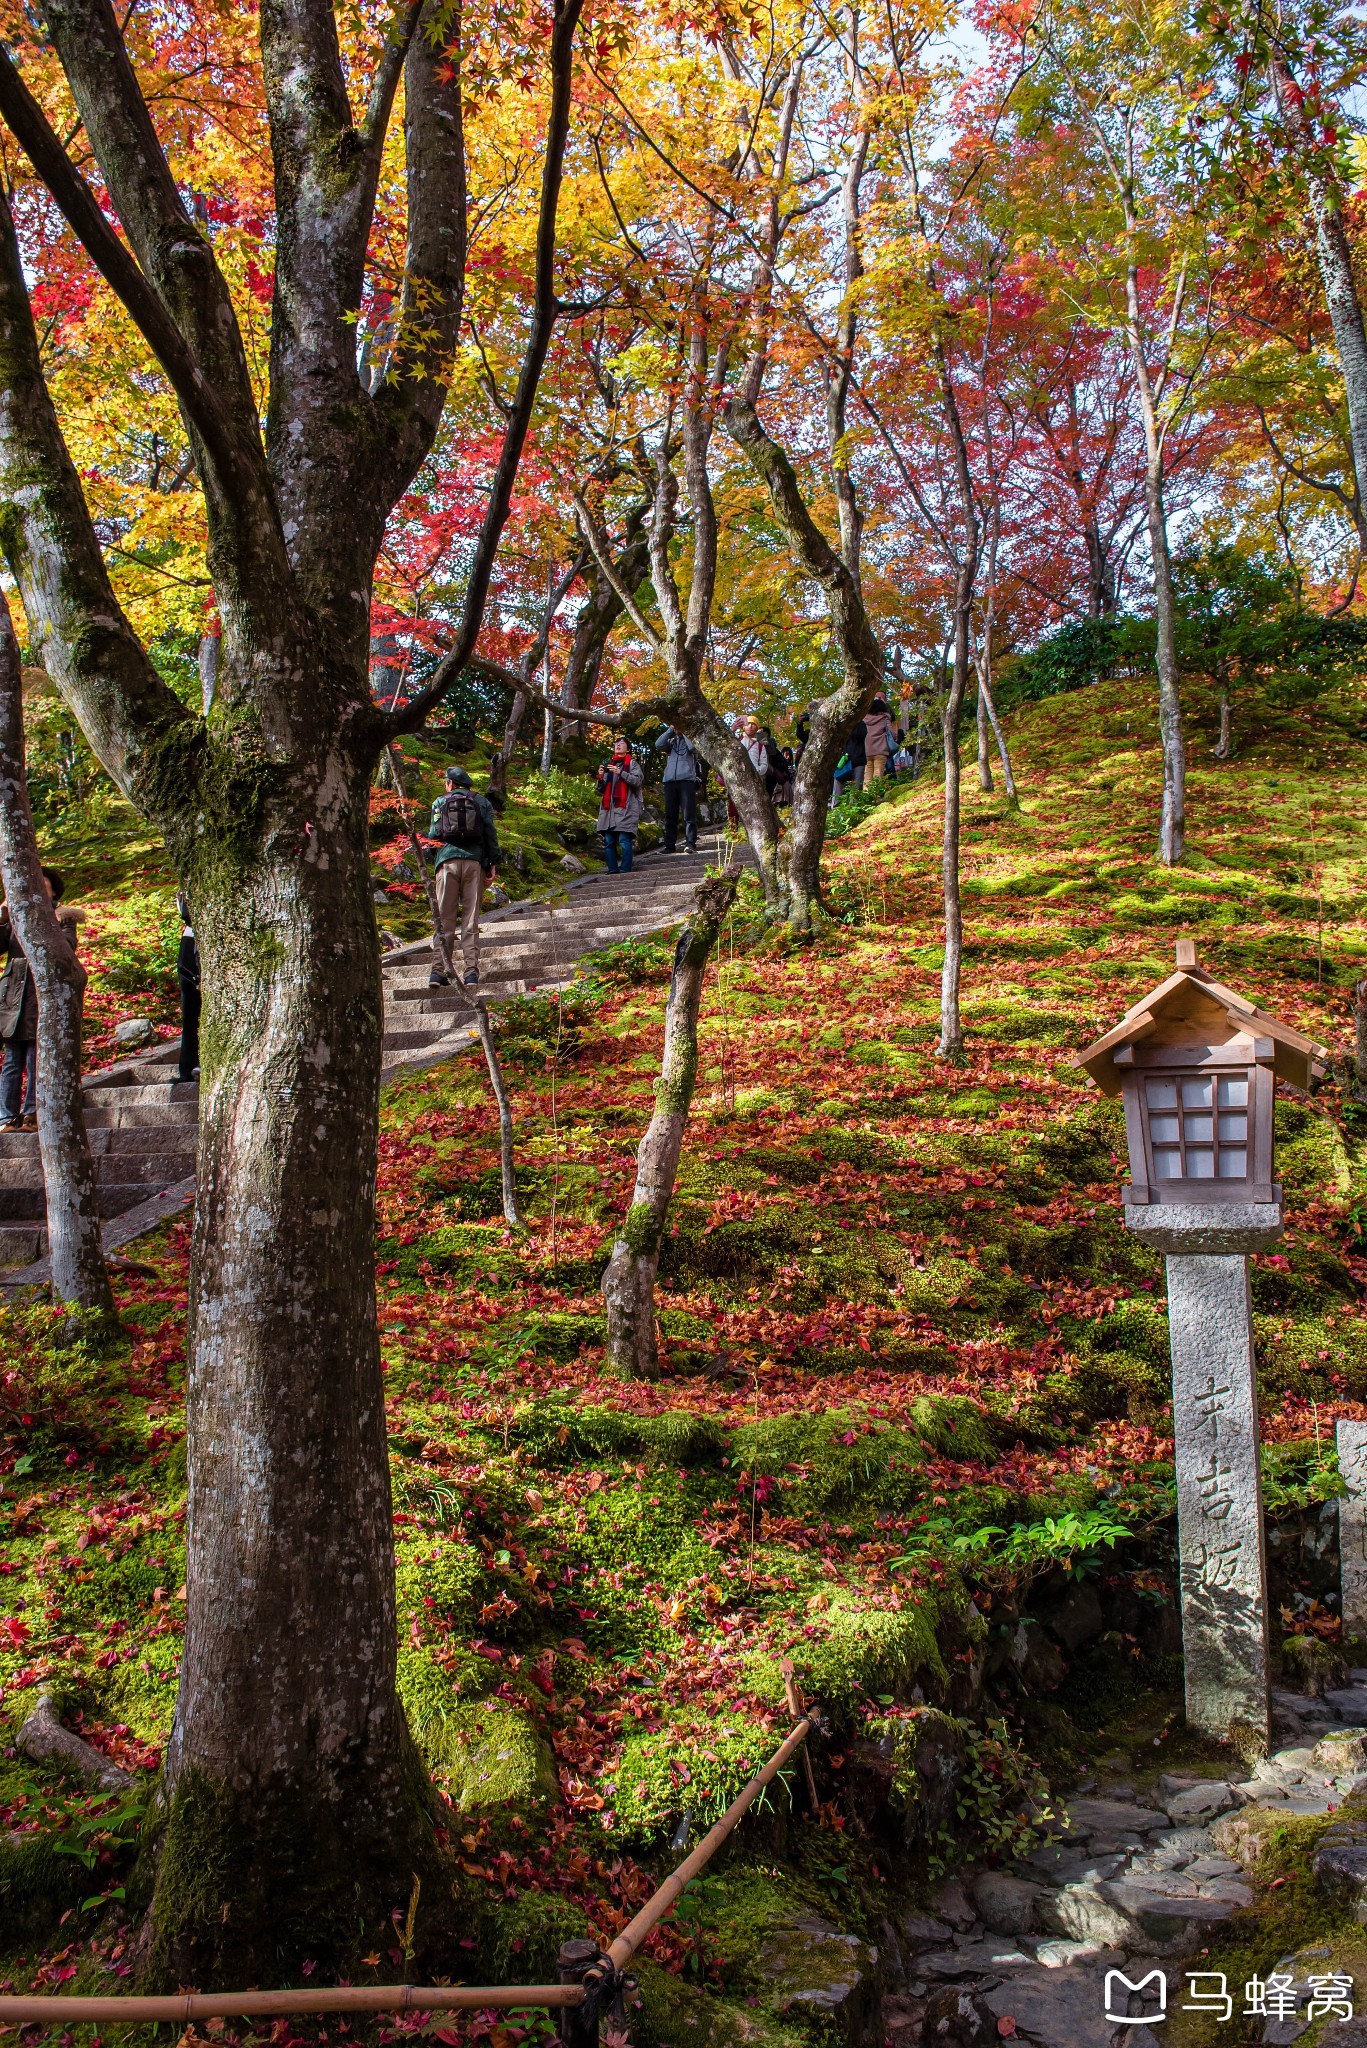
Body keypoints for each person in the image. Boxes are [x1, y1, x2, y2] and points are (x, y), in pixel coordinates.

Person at [0, 866, 74, 1132]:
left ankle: (31, 1113)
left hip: (41, 992)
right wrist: (4, 915)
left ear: (54, 890)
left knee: (34, 1056)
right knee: (12, 1060)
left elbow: (67, 949)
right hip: (13, 994)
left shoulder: (62, 916)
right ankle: (7, 1116)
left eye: (43, 884)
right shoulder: (15, 917)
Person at [427, 764, 500, 987]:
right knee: (470, 919)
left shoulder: (440, 802)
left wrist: (436, 861)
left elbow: (432, 836)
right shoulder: (481, 802)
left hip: (446, 864)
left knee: (444, 919)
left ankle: (438, 972)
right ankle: (470, 972)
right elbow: (490, 834)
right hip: (473, 864)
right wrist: (491, 864)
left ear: (450, 783)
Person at [595, 736, 644, 873]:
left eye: (622, 744)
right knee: (609, 841)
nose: (618, 745)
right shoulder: (610, 764)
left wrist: (620, 772)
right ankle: (612, 869)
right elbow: (601, 789)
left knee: (623, 839)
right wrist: (600, 778)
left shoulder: (632, 764)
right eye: (616, 743)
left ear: (628, 749)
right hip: (608, 810)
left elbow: (637, 781)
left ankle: (625, 869)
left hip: (626, 807)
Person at [657, 724, 700, 853]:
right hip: (670, 781)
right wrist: (671, 729)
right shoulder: (671, 741)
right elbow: (658, 745)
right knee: (670, 815)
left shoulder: (690, 740)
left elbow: (693, 747)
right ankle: (669, 845)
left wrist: (685, 732)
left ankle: (690, 843)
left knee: (689, 814)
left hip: (687, 780)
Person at [176, 892, 200, 1081]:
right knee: (191, 1011)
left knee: (192, 1011)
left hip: (192, 942)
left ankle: (190, 1066)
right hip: (192, 943)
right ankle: (189, 1067)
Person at [863, 697, 896, 782]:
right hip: (880, 750)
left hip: (867, 751)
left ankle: (866, 794)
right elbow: (892, 734)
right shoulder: (884, 718)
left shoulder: (864, 719)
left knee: (867, 776)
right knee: (878, 774)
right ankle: (875, 794)